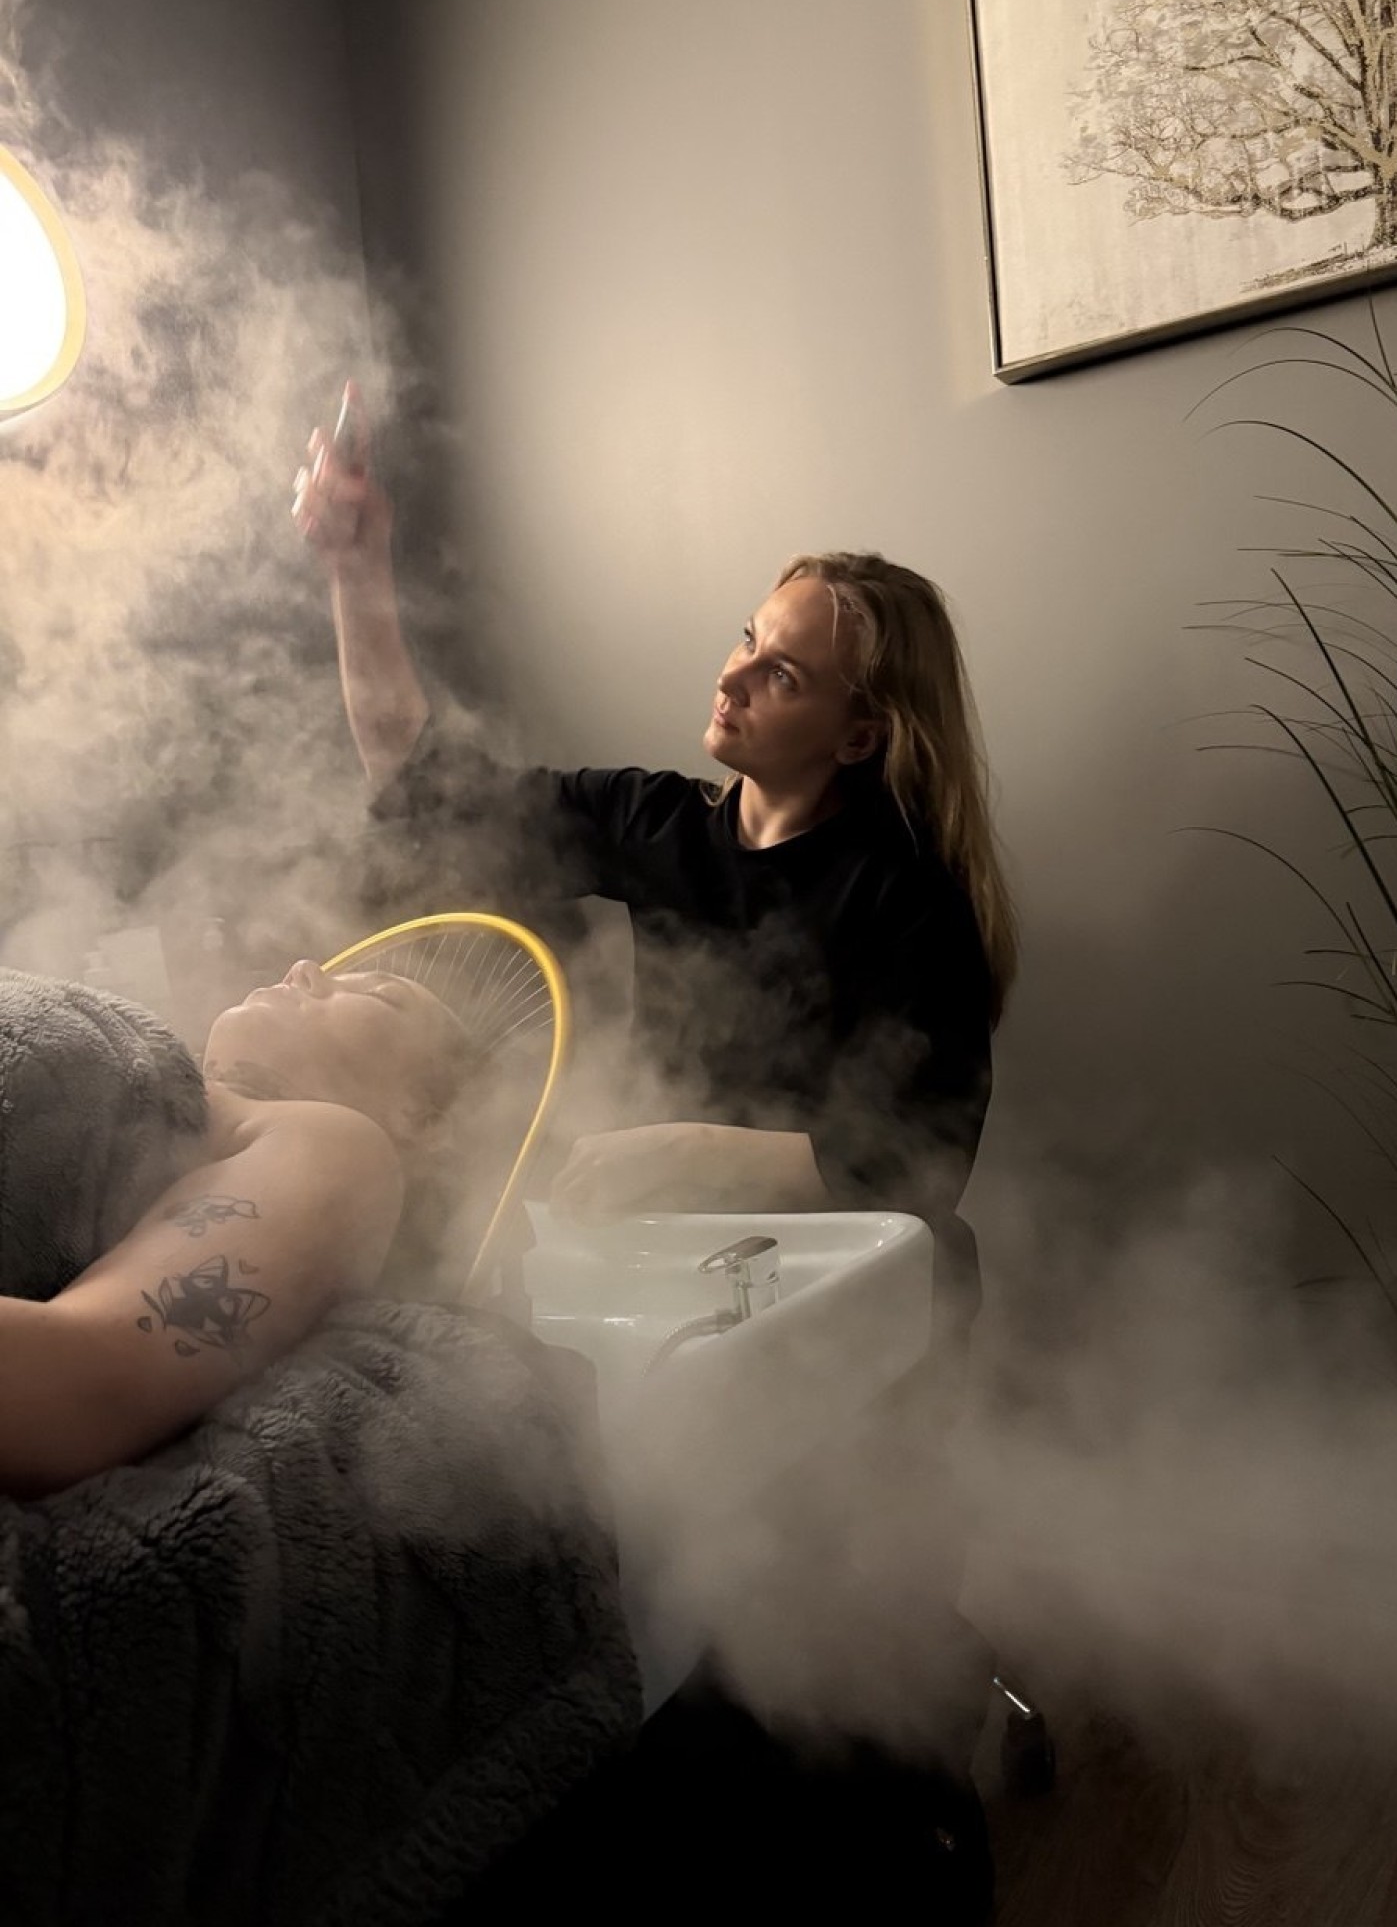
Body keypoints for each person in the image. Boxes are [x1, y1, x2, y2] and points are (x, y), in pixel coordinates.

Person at [293, 385, 1017, 1336]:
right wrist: (354, 567)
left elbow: (921, 1164)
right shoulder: (660, 822)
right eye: (748, 638)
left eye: (781, 675)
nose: (732, 676)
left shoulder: (912, 898)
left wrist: (683, 1150)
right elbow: (424, 789)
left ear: (857, 737)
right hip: (694, 1258)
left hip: (874, 1293)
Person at [0, 958, 472, 1497]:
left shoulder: (336, 1143)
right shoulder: (161, 1074)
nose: (307, 967)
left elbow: (79, 1384)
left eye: (380, 993)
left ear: (422, 1119)